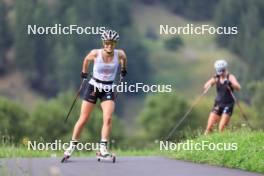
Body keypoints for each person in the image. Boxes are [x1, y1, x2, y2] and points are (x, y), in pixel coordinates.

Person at [64, 29, 127, 158]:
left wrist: (123, 70)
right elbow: (86, 60)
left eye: (112, 43)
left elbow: (124, 59)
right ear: (104, 42)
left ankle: (103, 148)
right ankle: (71, 146)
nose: (109, 45)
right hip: (93, 86)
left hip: (108, 88)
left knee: (108, 118)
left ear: (115, 44)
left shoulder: (119, 54)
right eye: (107, 43)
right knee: (83, 118)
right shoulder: (95, 53)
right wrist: (84, 73)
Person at [204, 59, 241, 135]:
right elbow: (205, 86)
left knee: (222, 128)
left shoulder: (230, 77)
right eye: (219, 71)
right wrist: (210, 83)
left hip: (228, 105)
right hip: (218, 104)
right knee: (209, 127)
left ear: (225, 69)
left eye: (222, 71)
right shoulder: (217, 77)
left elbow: (238, 88)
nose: (221, 73)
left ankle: (226, 142)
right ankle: (203, 144)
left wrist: (230, 83)